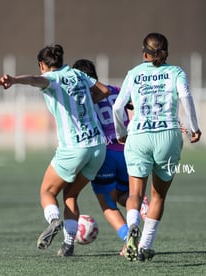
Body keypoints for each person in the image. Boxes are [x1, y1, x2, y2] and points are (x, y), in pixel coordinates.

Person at [0, 45, 110, 257]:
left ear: (42, 65)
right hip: (97, 146)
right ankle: (68, 245)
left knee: (47, 192)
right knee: (71, 193)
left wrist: (13, 79)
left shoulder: (52, 78)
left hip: (74, 148)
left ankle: (53, 220)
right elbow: (104, 91)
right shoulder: (78, 74)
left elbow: (34, 79)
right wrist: (82, 102)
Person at [113, 32, 202, 262]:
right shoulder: (176, 72)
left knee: (134, 193)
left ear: (144, 53)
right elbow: (186, 97)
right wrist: (194, 127)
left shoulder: (134, 73)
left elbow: (117, 107)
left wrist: (121, 133)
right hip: (169, 136)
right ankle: (145, 245)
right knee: (158, 195)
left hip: (139, 135)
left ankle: (132, 227)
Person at [72, 59, 149, 256]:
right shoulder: (115, 89)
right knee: (127, 195)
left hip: (104, 154)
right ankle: (142, 208)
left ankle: (128, 239)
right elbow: (133, 104)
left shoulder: (82, 99)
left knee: (108, 203)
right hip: (128, 150)